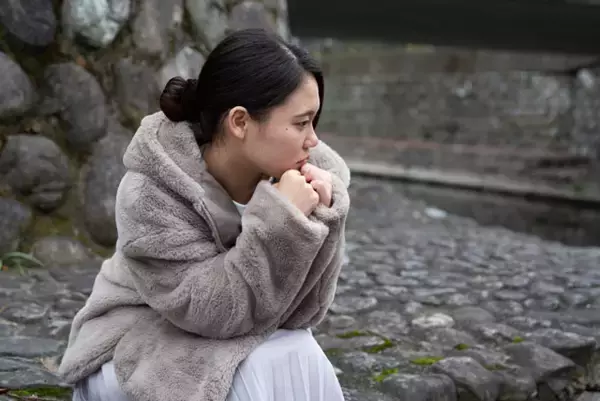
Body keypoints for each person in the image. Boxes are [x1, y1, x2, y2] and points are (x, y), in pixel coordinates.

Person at [58, 28, 351, 401]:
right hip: (137, 334)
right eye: (300, 122)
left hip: (234, 328)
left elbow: (302, 314)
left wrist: (323, 217)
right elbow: (212, 312)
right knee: (258, 365)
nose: (313, 140)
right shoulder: (150, 193)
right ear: (240, 122)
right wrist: (282, 219)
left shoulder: (305, 174)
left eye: (314, 121)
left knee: (298, 349)